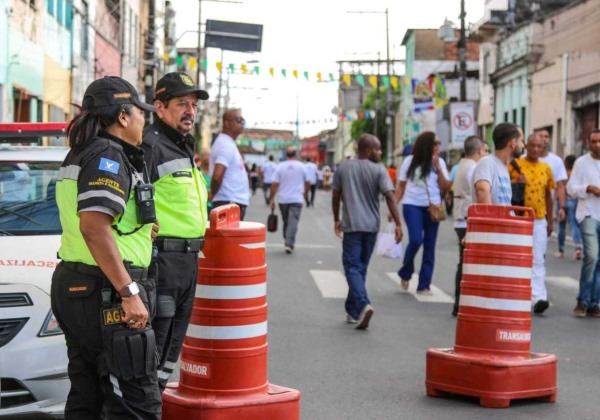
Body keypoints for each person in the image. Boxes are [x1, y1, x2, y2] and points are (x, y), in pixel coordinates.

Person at [50, 76, 161, 418]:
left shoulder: (81, 152)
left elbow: (100, 221)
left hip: (77, 286)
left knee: (88, 397)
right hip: (107, 292)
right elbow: (94, 228)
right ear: (123, 117)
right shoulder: (108, 155)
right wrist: (128, 291)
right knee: (136, 403)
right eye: (141, 113)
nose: (145, 120)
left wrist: (141, 232)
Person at [141, 72, 209, 390]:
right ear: (159, 106)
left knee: (169, 357)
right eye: (182, 103)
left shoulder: (181, 147)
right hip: (162, 265)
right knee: (150, 358)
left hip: (188, 264)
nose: (190, 111)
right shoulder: (151, 145)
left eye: (193, 105)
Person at [332, 134, 402, 330]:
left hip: (353, 227)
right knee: (359, 268)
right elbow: (389, 196)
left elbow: (336, 194)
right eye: (377, 149)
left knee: (353, 268)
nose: (380, 152)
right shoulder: (379, 170)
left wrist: (336, 219)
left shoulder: (344, 167)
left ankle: (363, 305)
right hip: (371, 227)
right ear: (366, 150)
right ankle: (352, 311)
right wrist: (398, 223)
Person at [394, 131, 451, 294]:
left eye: (439, 143)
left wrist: (438, 168)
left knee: (430, 246)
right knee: (416, 239)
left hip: (433, 208)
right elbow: (401, 186)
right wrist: (394, 207)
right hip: (412, 205)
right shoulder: (409, 161)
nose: (439, 147)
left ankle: (424, 284)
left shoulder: (439, 162)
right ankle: (406, 271)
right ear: (426, 145)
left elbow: (445, 186)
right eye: (436, 143)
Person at [508, 133, 555, 315]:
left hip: (539, 220)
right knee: (519, 259)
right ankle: (518, 296)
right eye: (533, 145)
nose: (536, 149)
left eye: (539, 146)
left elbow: (548, 197)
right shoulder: (515, 166)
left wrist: (550, 220)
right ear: (526, 146)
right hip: (519, 218)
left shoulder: (546, 168)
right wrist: (516, 182)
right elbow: (505, 188)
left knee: (538, 259)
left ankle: (538, 298)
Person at [451, 136, 488, 316]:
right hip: (467, 218)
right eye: (485, 151)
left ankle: (459, 302)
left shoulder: (461, 166)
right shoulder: (473, 168)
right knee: (468, 263)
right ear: (479, 150)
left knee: (464, 261)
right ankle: (462, 302)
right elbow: (480, 192)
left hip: (460, 216)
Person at [566, 128, 600, 318]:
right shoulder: (581, 163)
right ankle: (582, 300)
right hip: (588, 214)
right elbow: (571, 189)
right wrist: (588, 188)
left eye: (599, 141)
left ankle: (594, 304)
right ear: (588, 143)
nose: (596, 145)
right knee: (592, 256)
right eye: (593, 141)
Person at [210, 109, 250, 220]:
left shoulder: (228, 143)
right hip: (228, 203)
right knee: (229, 237)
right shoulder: (225, 144)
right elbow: (217, 177)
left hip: (231, 202)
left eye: (243, 120)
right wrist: (212, 194)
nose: (242, 123)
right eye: (238, 120)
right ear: (226, 123)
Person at [269, 146, 310, 254]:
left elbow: (274, 184)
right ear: (296, 155)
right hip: (297, 198)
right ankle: (288, 240)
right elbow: (308, 182)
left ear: (286, 155)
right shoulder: (302, 166)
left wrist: (272, 198)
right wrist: (306, 193)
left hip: (283, 199)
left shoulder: (280, 167)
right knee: (291, 221)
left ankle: (288, 242)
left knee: (288, 221)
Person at [473, 122, 524, 204]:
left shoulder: (503, 167)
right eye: (521, 141)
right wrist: (490, 216)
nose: (523, 145)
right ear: (513, 143)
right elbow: (482, 191)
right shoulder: (487, 163)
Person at [535, 128, 567, 227]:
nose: (544, 139)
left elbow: (560, 186)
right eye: (541, 136)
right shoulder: (522, 159)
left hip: (545, 210)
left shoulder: (556, 161)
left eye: (546, 136)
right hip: (526, 209)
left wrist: (562, 207)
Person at [556, 154, 582, 259]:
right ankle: (578, 248)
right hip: (574, 201)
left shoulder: (563, 174)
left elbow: (559, 187)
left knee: (561, 226)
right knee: (574, 225)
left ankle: (561, 250)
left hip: (562, 201)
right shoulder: (576, 174)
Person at [198, 148, 213, 216]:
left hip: (213, 204)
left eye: (208, 155)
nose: (207, 158)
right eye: (204, 155)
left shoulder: (214, 171)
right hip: (201, 204)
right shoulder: (197, 171)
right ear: (200, 157)